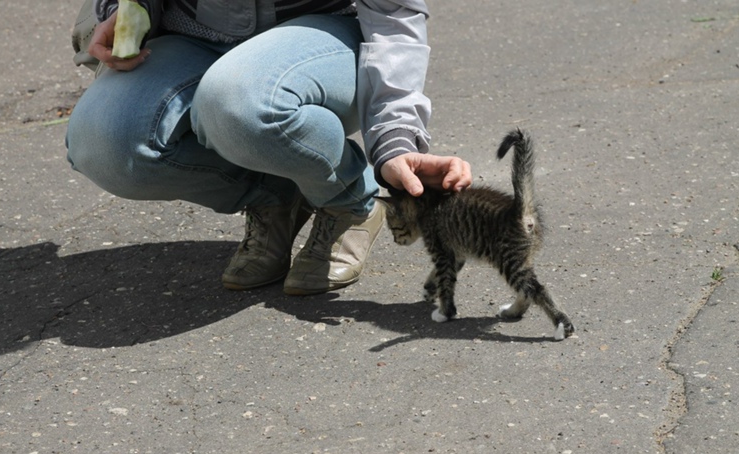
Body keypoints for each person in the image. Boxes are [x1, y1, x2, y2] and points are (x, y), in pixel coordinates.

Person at [67, 0, 472, 295]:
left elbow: (394, 14)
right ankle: (276, 194)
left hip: (324, 35)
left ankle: (348, 196)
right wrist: (131, 7)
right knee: (103, 144)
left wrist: (394, 139)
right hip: (190, 34)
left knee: (237, 102)